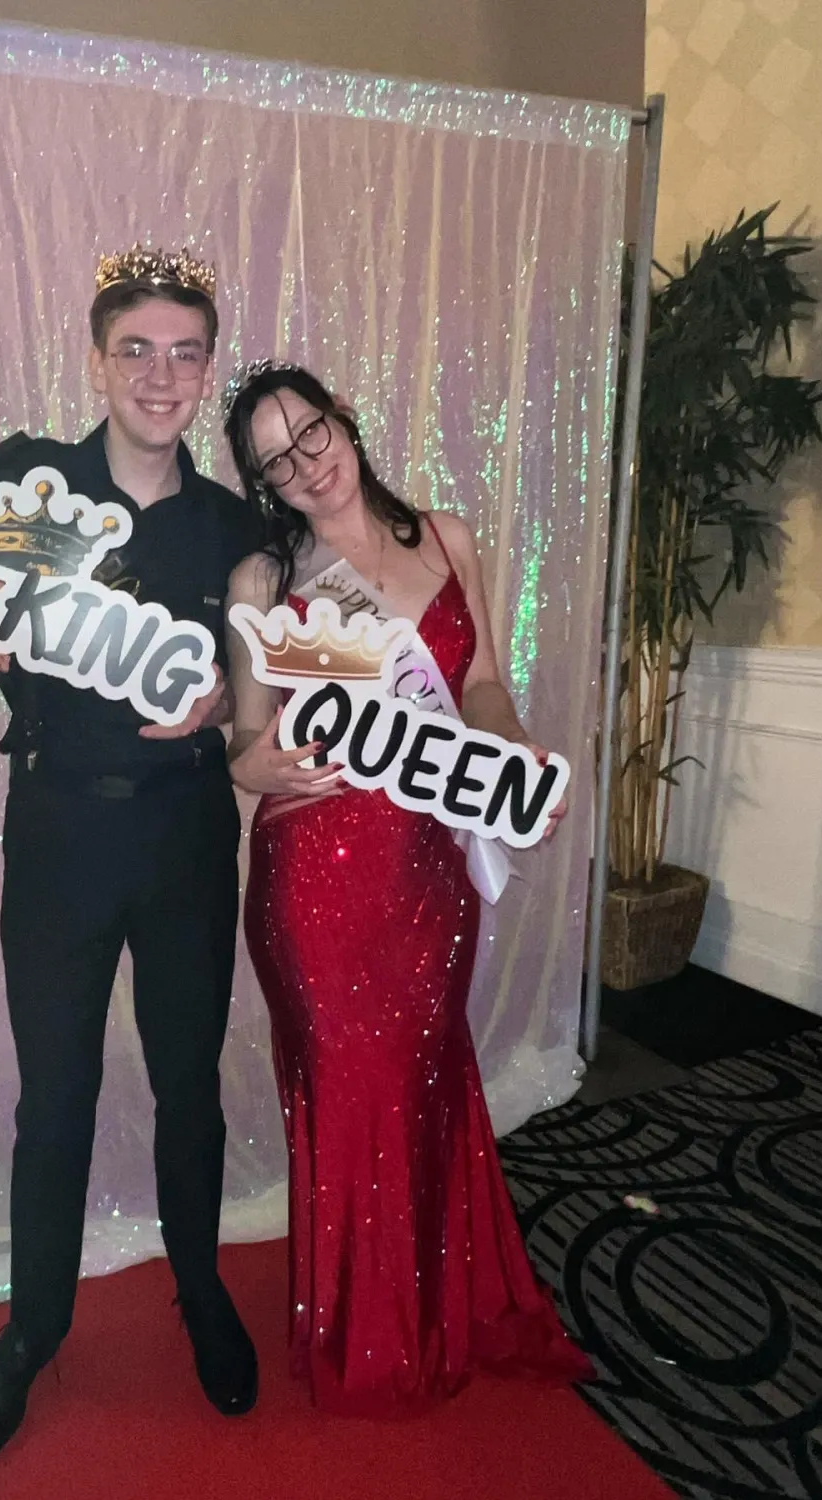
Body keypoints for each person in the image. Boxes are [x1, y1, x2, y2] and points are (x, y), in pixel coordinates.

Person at [0, 248, 263, 1460]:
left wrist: (224, 704)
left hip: (185, 833)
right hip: (61, 828)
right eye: (137, 351)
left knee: (189, 1087)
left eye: (184, 354)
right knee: (54, 1093)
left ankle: (201, 1292)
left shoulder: (234, 527)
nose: (161, 377)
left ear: (207, 370)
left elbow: (260, 692)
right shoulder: (30, 481)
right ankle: (35, 1330)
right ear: (99, 362)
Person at [221, 360, 593, 1418]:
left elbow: (481, 683)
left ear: (344, 418)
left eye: (312, 433)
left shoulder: (448, 538)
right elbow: (244, 746)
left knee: (424, 1077)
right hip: (318, 880)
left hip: (429, 869)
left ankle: (441, 1305)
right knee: (352, 1093)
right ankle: (368, 1336)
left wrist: (512, 754)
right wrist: (261, 765)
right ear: (263, 484)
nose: (306, 465)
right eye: (276, 462)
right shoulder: (264, 581)